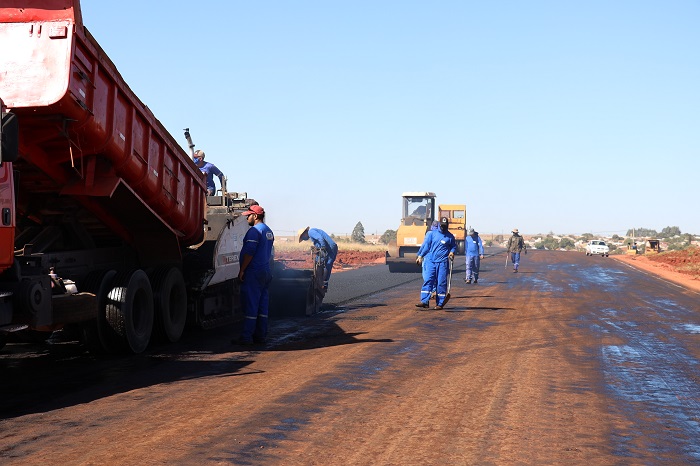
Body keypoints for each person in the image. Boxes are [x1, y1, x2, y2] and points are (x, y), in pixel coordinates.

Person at [232, 204, 274, 346]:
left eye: (248, 215)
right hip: (266, 272)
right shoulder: (269, 231)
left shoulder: (254, 232)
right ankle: (260, 336)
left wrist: (242, 270)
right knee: (263, 307)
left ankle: (246, 337)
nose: (247, 218)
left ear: (255, 216)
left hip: (254, 272)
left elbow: (250, 252)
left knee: (251, 305)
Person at [415, 217, 456, 310]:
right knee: (429, 279)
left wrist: (452, 252)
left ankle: (440, 303)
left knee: (441, 282)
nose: (443, 228)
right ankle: (424, 301)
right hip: (431, 262)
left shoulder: (450, 236)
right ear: (439, 225)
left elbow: (453, 246)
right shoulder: (432, 234)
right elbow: (426, 247)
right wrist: (420, 256)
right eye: (442, 226)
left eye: (445, 226)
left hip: (442, 263)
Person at [422, 220, 440, 296]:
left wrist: (420, 255)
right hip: (434, 258)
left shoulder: (429, 234)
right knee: (434, 276)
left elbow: (424, 246)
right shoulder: (440, 235)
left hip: (429, 258)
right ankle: (433, 291)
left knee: (428, 276)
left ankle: (432, 292)